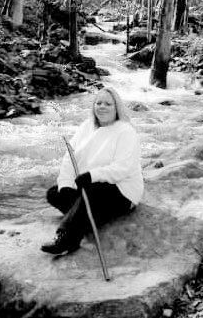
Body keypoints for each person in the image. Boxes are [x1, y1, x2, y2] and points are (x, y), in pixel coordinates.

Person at [41, 87, 144, 255]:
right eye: (98, 103)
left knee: (92, 193)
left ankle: (67, 238)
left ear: (116, 108)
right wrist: (66, 184)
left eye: (108, 104)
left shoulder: (126, 131)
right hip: (91, 186)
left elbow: (122, 168)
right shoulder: (86, 126)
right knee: (54, 193)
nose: (102, 107)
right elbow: (70, 157)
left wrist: (92, 175)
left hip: (122, 190)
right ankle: (86, 218)